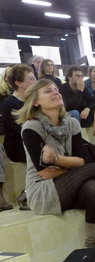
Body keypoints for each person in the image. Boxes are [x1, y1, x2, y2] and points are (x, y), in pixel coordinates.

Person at [16, 79, 95, 249]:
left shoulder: (71, 123)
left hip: (68, 184)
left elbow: (83, 161)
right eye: (48, 91)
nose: (55, 93)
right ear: (35, 102)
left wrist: (56, 160)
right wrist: (74, 166)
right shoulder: (31, 127)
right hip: (43, 190)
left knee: (94, 188)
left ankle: (92, 249)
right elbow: (44, 173)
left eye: (56, 89)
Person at [2, 64, 36, 210]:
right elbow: (21, 129)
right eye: (31, 78)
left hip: (34, 140)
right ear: (19, 83)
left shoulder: (36, 100)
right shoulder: (9, 103)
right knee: (41, 152)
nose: (35, 81)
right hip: (17, 145)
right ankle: (27, 194)